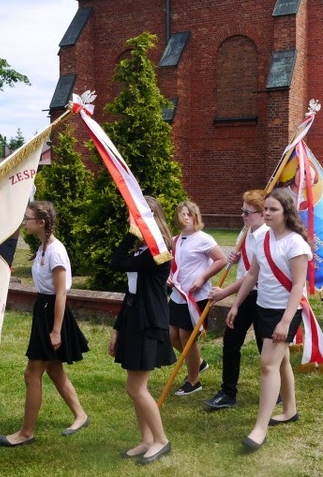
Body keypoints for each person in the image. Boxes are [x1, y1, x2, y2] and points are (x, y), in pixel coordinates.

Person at [0, 201, 90, 447]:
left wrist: (56, 330)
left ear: (41, 223)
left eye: (28, 218)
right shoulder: (43, 247)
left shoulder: (56, 251)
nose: (25, 221)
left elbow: (61, 294)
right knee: (54, 369)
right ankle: (80, 415)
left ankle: (26, 432)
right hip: (44, 310)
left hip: (52, 314)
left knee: (32, 372)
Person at [227, 189, 310, 450]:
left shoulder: (296, 243)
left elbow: (298, 285)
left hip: (285, 312)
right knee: (281, 360)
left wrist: (286, 322)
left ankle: (260, 427)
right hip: (263, 307)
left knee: (267, 364)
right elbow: (252, 275)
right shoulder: (262, 240)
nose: (267, 213)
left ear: (286, 212)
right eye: (266, 209)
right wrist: (236, 304)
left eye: (273, 209)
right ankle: (289, 410)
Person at [108, 196, 175, 465]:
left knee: (137, 388)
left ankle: (161, 440)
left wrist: (129, 235)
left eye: (131, 216)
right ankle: (147, 439)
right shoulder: (142, 250)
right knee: (134, 388)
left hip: (149, 322)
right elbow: (131, 291)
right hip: (134, 320)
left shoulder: (157, 252)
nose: (127, 220)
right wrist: (117, 328)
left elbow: (116, 262)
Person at [205, 190, 269, 409]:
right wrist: (238, 256)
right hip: (246, 296)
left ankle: (276, 390)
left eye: (247, 212)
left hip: (262, 296)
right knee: (231, 342)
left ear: (262, 214)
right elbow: (245, 270)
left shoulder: (266, 236)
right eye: (242, 211)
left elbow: (253, 275)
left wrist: (224, 293)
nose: (242, 216)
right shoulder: (248, 232)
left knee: (266, 348)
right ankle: (228, 392)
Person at [167, 200, 227, 396]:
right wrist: (168, 276)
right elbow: (173, 264)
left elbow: (221, 260)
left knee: (187, 337)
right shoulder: (175, 240)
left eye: (189, 214)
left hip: (196, 297)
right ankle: (198, 363)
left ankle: (193, 381)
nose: (185, 218)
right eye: (182, 214)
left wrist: (202, 278)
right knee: (171, 335)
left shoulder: (204, 239)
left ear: (196, 217)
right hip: (177, 296)